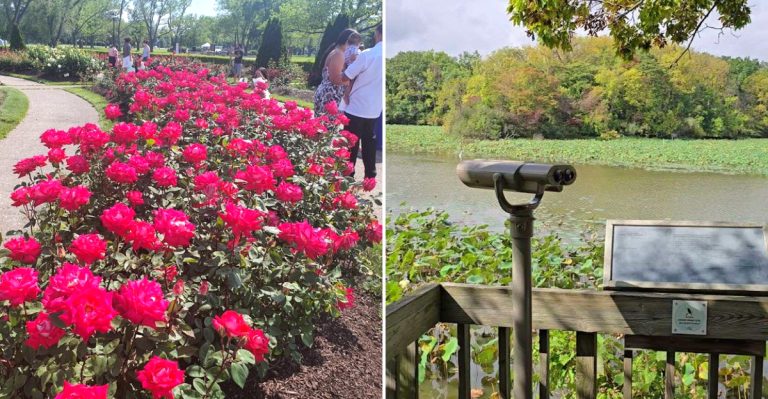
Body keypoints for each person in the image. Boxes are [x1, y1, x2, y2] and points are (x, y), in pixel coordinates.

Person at [342, 24, 382, 179]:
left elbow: (346, 76)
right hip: (374, 108)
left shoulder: (368, 54)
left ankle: (348, 175)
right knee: (369, 143)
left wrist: (349, 64)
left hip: (357, 106)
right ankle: (370, 175)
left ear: (377, 33)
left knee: (351, 143)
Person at [313, 29, 360, 115]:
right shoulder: (338, 54)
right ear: (347, 41)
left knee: (324, 126)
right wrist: (352, 80)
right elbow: (335, 79)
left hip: (328, 95)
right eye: (355, 44)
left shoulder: (337, 52)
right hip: (330, 97)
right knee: (327, 126)